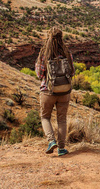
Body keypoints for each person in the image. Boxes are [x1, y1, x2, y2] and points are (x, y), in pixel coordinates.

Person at [35, 27, 75, 156]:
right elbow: (72, 72)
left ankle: (51, 141)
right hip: (64, 91)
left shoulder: (44, 54)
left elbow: (39, 74)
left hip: (48, 91)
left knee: (45, 117)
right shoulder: (67, 53)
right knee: (62, 120)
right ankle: (62, 148)